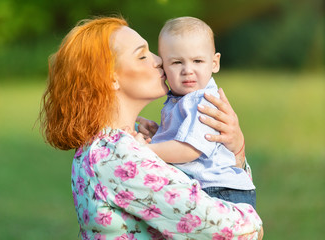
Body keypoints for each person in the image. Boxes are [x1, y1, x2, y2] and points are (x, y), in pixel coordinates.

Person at [40, 16, 263, 239]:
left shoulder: (112, 143)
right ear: (111, 78)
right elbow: (240, 232)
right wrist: (253, 222)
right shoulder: (119, 154)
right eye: (142, 55)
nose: (159, 60)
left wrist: (235, 149)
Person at [142, 17, 256, 209]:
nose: (188, 70)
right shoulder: (181, 99)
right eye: (177, 62)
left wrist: (146, 151)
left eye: (197, 61)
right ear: (163, 67)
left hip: (219, 191)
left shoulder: (202, 101)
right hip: (208, 189)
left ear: (214, 63)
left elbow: (190, 149)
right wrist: (159, 136)